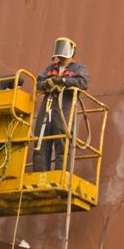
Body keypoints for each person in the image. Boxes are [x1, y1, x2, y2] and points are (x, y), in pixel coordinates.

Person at [32, 37, 89, 171]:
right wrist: (47, 84)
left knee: (62, 140)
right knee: (41, 140)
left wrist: (62, 81)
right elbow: (38, 83)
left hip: (64, 107)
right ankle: (40, 175)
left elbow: (83, 83)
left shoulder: (78, 68)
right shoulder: (50, 68)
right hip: (47, 106)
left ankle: (61, 174)